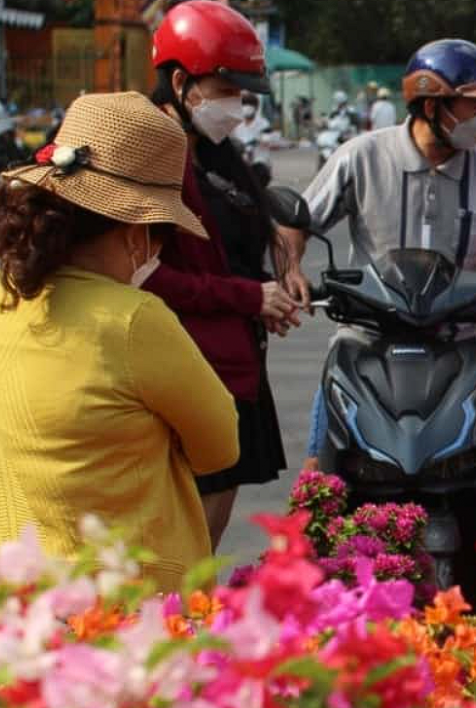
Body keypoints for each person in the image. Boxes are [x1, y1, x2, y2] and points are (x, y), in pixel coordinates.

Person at [0, 92, 239, 591]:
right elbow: (220, 447)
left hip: (11, 604)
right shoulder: (133, 320)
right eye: (162, 235)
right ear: (134, 233)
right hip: (123, 613)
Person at [280, 38, 476, 517]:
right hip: (367, 343)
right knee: (318, 472)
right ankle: (288, 566)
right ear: (433, 105)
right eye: (475, 104)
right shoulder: (361, 156)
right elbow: (298, 221)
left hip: (459, 342)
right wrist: (291, 267)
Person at [149, 0, 298, 548]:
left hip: (234, 363)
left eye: (241, 93)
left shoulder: (214, 155)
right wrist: (247, 297)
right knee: (182, 548)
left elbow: (231, 253)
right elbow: (146, 277)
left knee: (207, 535)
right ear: (181, 83)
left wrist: (268, 293)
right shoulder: (151, 160)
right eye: (225, 90)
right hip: (184, 369)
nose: (236, 105)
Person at [231, 92, 272, 186]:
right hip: (241, 161)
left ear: (256, 107)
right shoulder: (236, 123)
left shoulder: (264, 123)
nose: (247, 108)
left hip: (259, 161)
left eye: (250, 105)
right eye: (244, 105)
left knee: (259, 171)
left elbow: (266, 140)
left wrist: (255, 142)